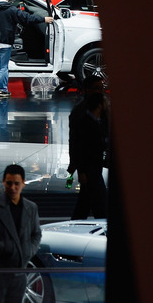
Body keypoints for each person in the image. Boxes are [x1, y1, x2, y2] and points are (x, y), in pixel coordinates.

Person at [0, 164, 42, 303]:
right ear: (4, 182)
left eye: (16, 184)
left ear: (23, 183)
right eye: (9, 183)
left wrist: (28, 251)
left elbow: (36, 234)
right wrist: (2, 247)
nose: (12, 187)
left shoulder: (31, 208)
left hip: (19, 273)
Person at [0, 0, 53, 98]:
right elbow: (28, 18)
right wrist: (44, 19)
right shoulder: (13, 10)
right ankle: (3, 91)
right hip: (6, 43)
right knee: (3, 67)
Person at [68, 89, 109, 219]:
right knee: (99, 201)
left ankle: (77, 221)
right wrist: (82, 171)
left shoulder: (96, 122)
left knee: (85, 201)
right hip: (91, 170)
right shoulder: (87, 124)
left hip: (93, 169)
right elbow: (81, 149)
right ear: (99, 105)